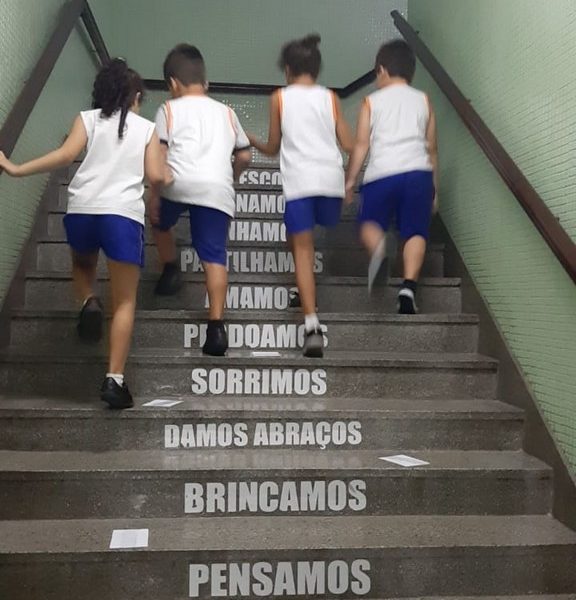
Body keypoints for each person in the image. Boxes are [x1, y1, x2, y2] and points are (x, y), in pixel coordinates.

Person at [0, 59, 164, 408]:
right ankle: (114, 380)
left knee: (83, 266)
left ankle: (88, 300)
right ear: (135, 96)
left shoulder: (87, 119)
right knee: (125, 300)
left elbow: (65, 155)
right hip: (122, 215)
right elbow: (155, 175)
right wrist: (169, 177)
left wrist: (16, 169)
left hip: (82, 209)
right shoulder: (147, 129)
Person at [249, 34, 353, 358]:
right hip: (331, 183)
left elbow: (272, 147)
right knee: (293, 236)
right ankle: (301, 289)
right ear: (317, 70)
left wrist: (250, 139)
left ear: (287, 70)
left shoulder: (279, 98)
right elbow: (349, 144)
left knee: (303, 249)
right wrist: (351, 179)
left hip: (300, 183)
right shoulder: (331, 97)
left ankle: (311, 325)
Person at [150, 44, 251, 356]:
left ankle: (170, 269)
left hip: (177, 183)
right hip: (215, 189)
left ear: (173, 83)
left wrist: (154, 194)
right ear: (204, 81)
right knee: (214, 256)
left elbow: (160, 154)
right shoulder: (227, 112)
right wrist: (231, 176)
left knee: (159, 220)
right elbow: (245, 155)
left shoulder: (168, 109)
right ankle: (216, 327)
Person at [345, 39, 438, 314]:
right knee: (415, 231)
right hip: (418, 174)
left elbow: (362, 145)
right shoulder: (424, 100)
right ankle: (408, 289)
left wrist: (350, 181)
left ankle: (379, 249)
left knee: (369, 223)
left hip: (382, 175)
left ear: (382, 70)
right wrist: (435, 190)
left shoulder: (371, 102)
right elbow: (432, 149)